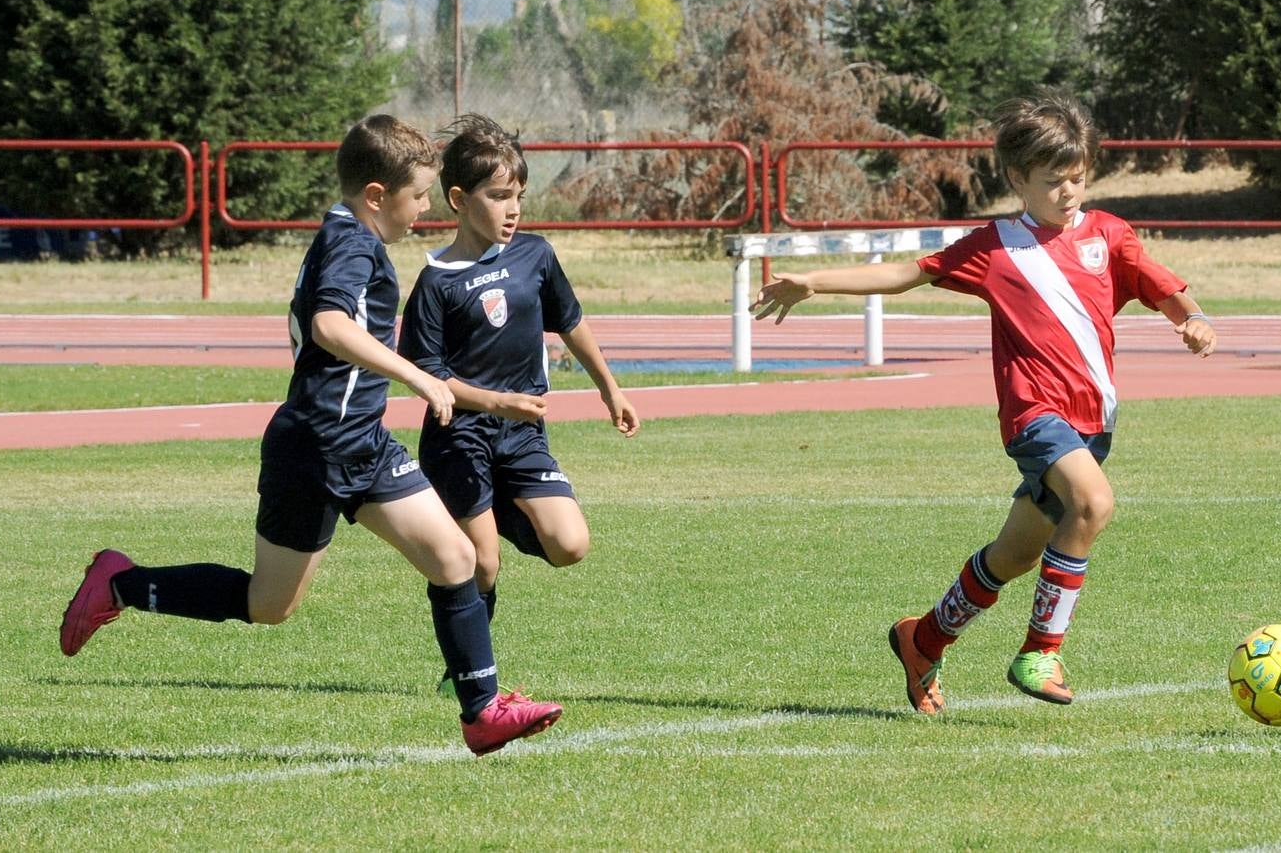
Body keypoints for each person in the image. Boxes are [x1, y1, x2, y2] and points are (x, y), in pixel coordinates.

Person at [59, 114, 562, 756]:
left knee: (457, 558)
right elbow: (329, 325)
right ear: (377, 195)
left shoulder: (351, 235)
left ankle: (482, 712)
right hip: (314, 447)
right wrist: (419, 377)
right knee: (268, 605)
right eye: (417, 198)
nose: (423, 212)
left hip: (362, 444)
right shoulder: (353, 244)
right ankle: (121, 583)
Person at [751, 93, 1217, 712]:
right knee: (1094, 502)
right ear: (1019, 179)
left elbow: (1164, 287)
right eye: (1054, 181)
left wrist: (1194, 319)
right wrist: (815, 280)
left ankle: (923, 638)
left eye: (1079, 177)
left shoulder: (1110, 235)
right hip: (1034, 415)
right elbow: (906, 273)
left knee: (1016, 554)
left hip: (1092, 425)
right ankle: (1040, 651)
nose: (1069, 191)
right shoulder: (995, 246)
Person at [398, 114, 637, 666]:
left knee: (570, 545)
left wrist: (610, 390)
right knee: (481, 566)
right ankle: (468, 670)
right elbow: (428, 378)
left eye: (519, 196)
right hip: (459, 437)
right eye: (499, 195)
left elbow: (571, 322)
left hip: (522, 433)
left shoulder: (536, 255)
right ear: (458, 199)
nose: (514, 209)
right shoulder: (436, 281)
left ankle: (495, 513)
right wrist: (495, 401)